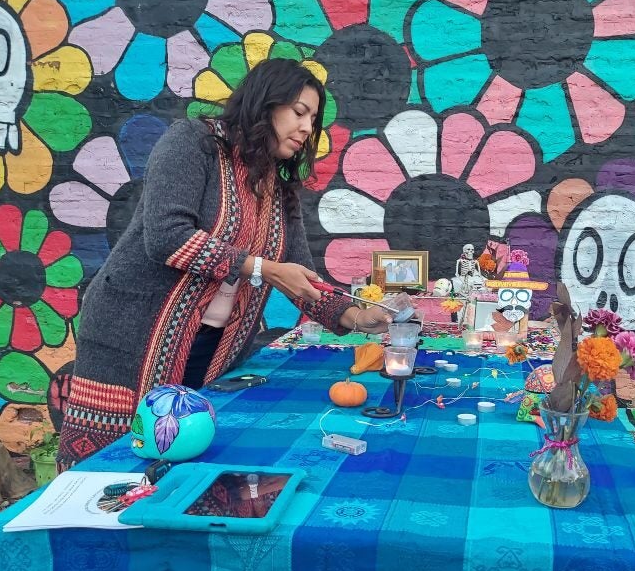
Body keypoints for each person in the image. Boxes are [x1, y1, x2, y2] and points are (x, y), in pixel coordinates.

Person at [57, 59, 393, 468]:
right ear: (264, 104)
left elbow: (300, 273)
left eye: (313, 119)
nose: (307, 129)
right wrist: (261, 268)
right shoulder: (193, 142)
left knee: (190, 452)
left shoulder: (277, 184)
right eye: (299, 113)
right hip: (133, 334)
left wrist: (356, 317)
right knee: (120, 456)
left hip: (214, 344)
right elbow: (165, 236)